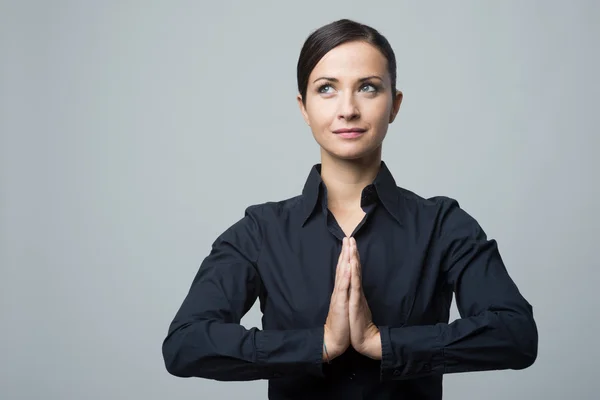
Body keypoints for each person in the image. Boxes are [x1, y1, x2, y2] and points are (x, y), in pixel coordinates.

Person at [161, 18, 538, 399]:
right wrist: (319, 346)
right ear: (304, 108)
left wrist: (383, 344)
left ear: (395, 104)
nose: (348, 109)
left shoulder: (442, 225)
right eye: (326, 89)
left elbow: (516, 334)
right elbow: (184, 345)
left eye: (368, 88)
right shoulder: (260, 230)